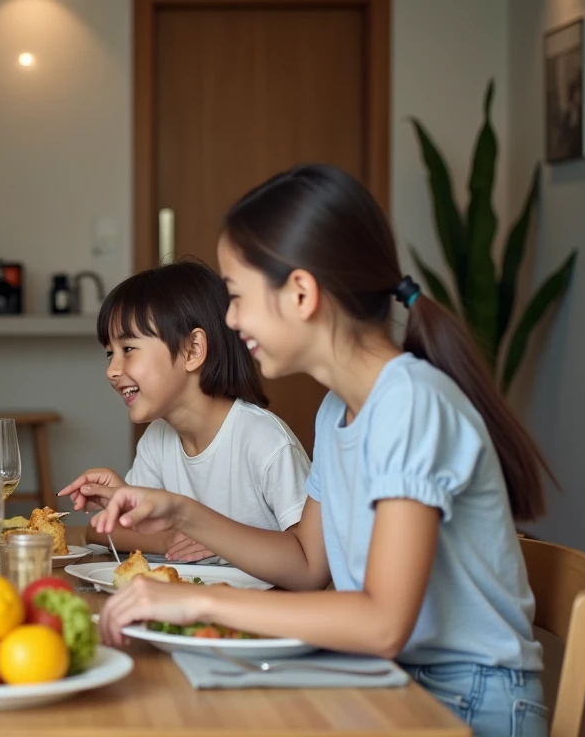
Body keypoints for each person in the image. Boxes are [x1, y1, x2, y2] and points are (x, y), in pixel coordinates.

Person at [78, 164, 553, 737]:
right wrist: (182, 513)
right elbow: (306, 568)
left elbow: (382, 622)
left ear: (301, 292)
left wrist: (198, 604)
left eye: (236, 297)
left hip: (462, 697)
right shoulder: (339, 410)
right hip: (386, 677)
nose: (229, 319)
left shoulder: (408, 404)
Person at [60, 261, 310, 563]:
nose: (111, 371)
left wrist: (222, 539)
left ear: (193, 350)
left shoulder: (265, 442)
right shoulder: (157, 440)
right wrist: (167, 537)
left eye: (128, 349)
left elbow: (310, 559)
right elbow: (98, 532)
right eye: (110, 353)